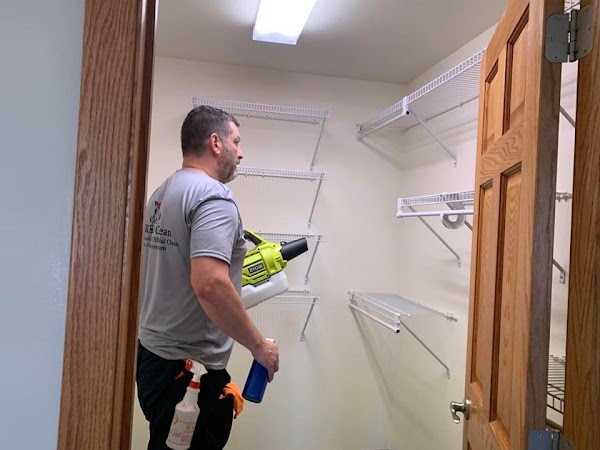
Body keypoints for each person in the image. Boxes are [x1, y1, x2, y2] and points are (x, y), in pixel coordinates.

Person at [136, 105, 279, 450]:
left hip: (154, 360)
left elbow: (184, 277)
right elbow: (210, 284)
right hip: (188, 373)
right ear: (216, 143)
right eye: (236, 141)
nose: (240, 153)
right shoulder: (214, 196)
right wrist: (259, 347)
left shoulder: (163, 193)